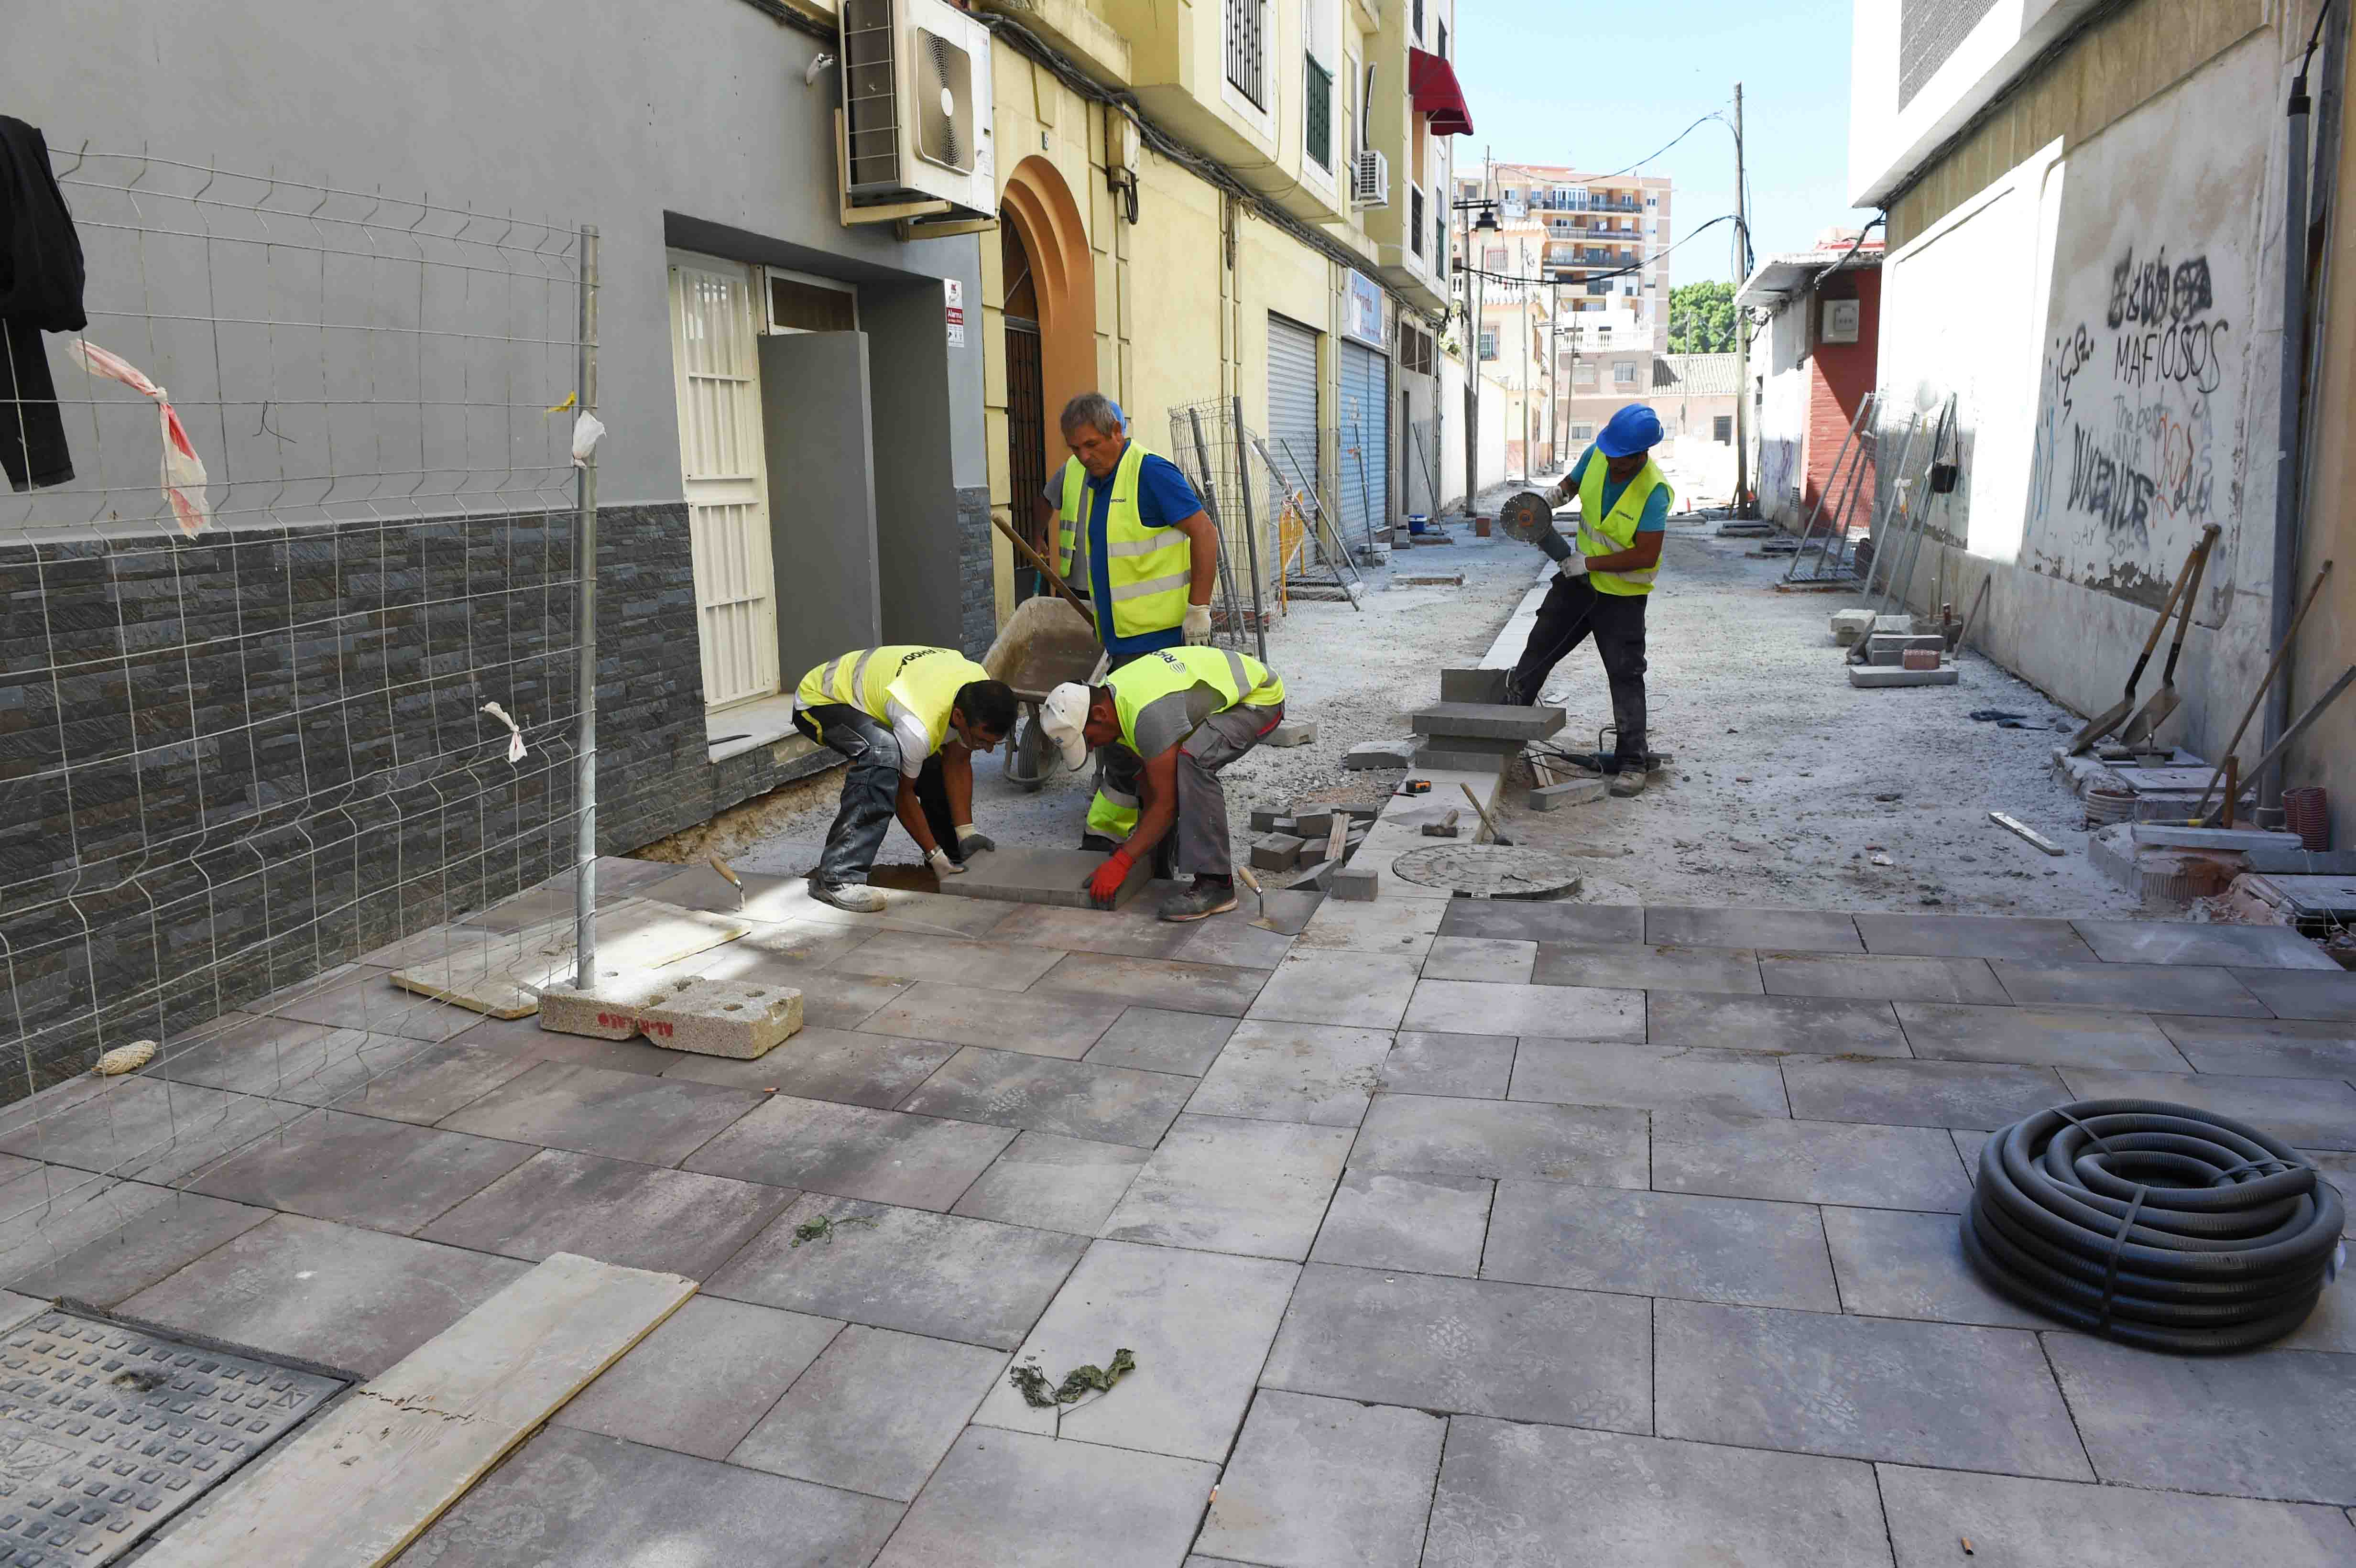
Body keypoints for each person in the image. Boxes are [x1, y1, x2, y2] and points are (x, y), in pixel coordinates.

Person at [1036, 392, 1223, 848]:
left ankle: (1156, 845)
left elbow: (1205, 532)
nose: (1083, 456)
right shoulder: (1094, 479)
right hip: (1123, 641)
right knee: (1126, 745)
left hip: (1159, 640)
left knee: (1153, 746)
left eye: (1092, 445)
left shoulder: (1151, 474)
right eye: (1075, 448)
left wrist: (1199, 608)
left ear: (1117, 432)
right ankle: (1118, 836)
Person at [1037, 645, 1287, 922]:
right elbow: (1153, 784)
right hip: (1216, 694)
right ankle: (1159, 868)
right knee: (1153, 774)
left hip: (1259, 697)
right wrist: (1138, 853)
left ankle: (1217, 885)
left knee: (1193, 761)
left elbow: (1167, 805)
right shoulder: (1112, 698)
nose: (1093, 747)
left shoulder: (1148, 715)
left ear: (1099, 714)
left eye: (1090, 740)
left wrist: (1122, 862)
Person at [1503, 403, 1671, 798]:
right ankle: (1506, 726)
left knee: (1625, 675)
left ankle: (1632, 762)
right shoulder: (1599, 453)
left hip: (1622, 598)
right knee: (1539, 648)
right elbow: (1574, 482)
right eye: (1609, 454)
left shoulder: (1654, 491)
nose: (1612, 462)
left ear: (1641, 454)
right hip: (1577, 584)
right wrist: (1556, 496)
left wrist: (1590, 562)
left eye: (1621, 459)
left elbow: (1646, 555)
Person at [791, 645, 1017, 913]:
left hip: (890, 696)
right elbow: (901, 793)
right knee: (883, 755)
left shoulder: (977, 688)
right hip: (822, 699)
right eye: (982, 740)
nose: (988, 750)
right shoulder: (918, 727)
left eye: (994, 743)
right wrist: (933, 854)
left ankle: (953, 853)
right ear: (958, 716)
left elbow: (957, 761)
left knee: (931, 761)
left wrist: (966, 833)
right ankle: (838, 876)